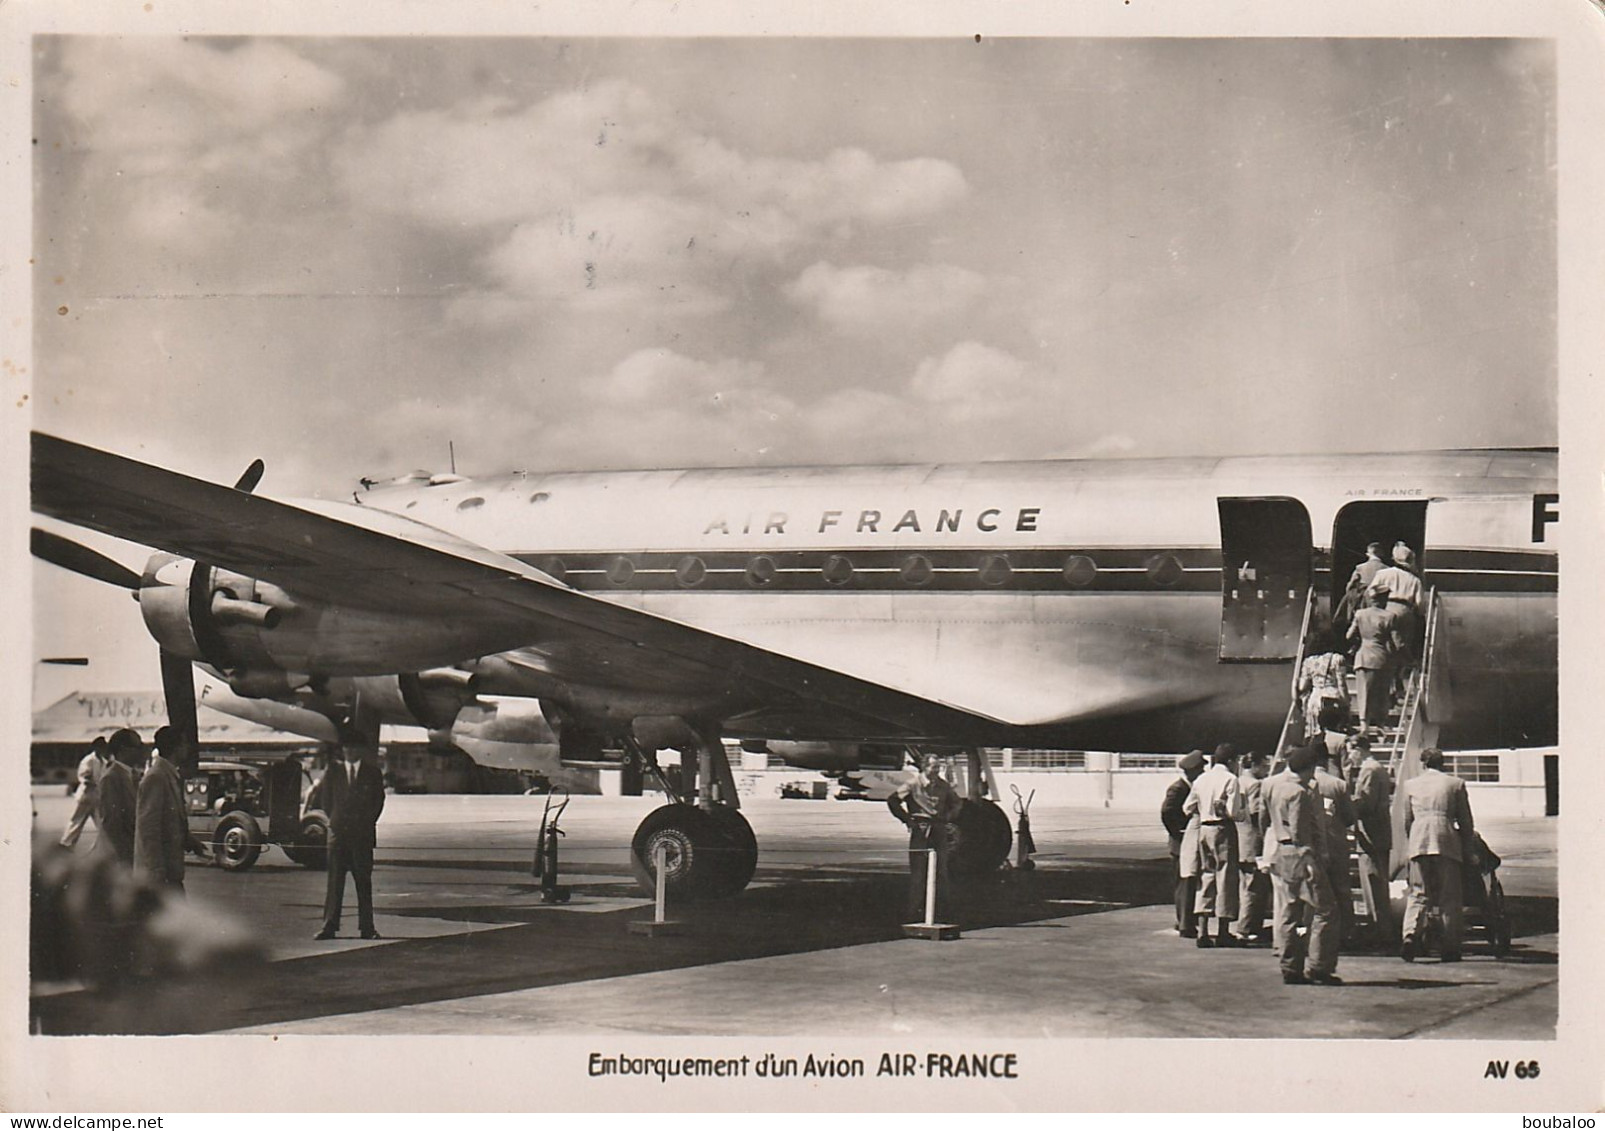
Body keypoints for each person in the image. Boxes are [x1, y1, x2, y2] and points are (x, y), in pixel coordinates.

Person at [1263, 744, 1340, 985]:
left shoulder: (1274, 787)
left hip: (1282, 852)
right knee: (1326, 909)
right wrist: (1310, 859)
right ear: (1307, 768)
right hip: (1301, 854)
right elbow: (1299, 831)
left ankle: (1290, 966)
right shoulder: (1299, 793)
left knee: (1289, 910)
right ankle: (1319, 966)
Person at [1401, 748, 1476, 962]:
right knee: (1449, 896)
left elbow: (1407, 819)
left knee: (1418, 893)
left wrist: (1413, 840)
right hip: (1446, 840)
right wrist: (1467, 848)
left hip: (1419, 838)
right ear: (1442, 763)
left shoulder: (1410, 785)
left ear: (1423, 764)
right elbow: (1465, 820)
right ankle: (1450, 945)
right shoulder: (1455, 784)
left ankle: (1409, 935)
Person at [316, 735, 389, 940]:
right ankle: (329, 926)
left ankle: (367, 928)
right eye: (346, 746)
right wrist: (335, 821)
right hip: (339, 837)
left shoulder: (372, 773)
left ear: (361, 750)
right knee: (334, 883)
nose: (349, 750)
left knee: (363, 883)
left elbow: (378, 801)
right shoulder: (333, 772)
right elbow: (325, 800)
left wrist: (366, 823)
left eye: (353, 746)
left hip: (362, 837)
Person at [1184, 744, 1244, 947]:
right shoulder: (1231, 779)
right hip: (1222, 828)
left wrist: (1203, 808)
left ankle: (1202, 931)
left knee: (1206, 877)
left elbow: (1187, 807)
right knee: (1226, 877)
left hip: (1204, 828)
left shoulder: (1202, 779)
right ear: (1232, 761)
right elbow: (1234, 812)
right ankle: (1223, 932)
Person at [134, 725, 195, 892]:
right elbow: (148, 827)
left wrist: (188, 839)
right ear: (176, 748)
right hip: (161, 874)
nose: (188, 747)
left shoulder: (168, 775)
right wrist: (155, 868)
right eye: (184, 744)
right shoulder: (156, 777)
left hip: (170, 871)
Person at [1347, 734, 1394, 942]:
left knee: (1373, 884)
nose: (1350, 756)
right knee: (1378, 883)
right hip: (1379, 831)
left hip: (1371, 833)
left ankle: (1380, 930)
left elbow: (1366, 803)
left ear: (1359, 749)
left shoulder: (1369, 770)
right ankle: (1381, 927)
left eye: (1351, 751)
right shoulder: (1377, 768)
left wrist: (1346, 806)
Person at [1312, 748, 1359, 946]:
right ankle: (1346, 932)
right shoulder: (1338, 784)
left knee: (1314, 890)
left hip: (1313, 843)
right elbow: (1349, 817)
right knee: (1341, 890)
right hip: (1336, 842)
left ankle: (1315, 933)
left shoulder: (1303, 782)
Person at [1160, 750, 1207, 938]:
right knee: (1185, 883)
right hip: (1181, 843)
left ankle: (1184, 920)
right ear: (1193, 771)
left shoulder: (1190, 787)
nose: (1203, 771)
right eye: (1200, 768)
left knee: (1188, 882)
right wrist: (1180, 832)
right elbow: (1167, 812)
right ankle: (1185, 924)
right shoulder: (1178, 789)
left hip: (1187, 841)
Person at [1372, 544, 1426, 690]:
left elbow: (1371, 593)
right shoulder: (1415, 580)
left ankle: (1387, 685)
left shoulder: (1383, 574)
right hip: (1405, 611)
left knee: (1385, 646)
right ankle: (1398, 681)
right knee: (1402, 647)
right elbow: (1421, 605)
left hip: (1386, 609)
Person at [1347, 588, 1402, 731]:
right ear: (1384, 599)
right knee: (1382, 693)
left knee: (1363, 692)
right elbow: (1396, 642)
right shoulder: (1390, 616)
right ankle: (1380, 723)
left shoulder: (1360, 614)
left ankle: (1363, 723)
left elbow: (1349, 636)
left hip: (1363, 657)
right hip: (1381, 658)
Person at [1233, 749, 1273, 942]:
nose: (1266, 769)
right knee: (1254, 886)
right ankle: (1247, 927)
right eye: (1264, 765)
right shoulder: (1256, 785)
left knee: (1246, 885)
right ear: (1255, 765)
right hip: (1252, 840)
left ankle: (1247, 925)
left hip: (1239, 840)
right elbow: (1257, 815)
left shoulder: (1237, 781)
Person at [94, 728, 142, 866]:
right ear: (123, 749)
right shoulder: (111, 777)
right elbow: (112, 822)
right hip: (120, 856)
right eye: (137, 747)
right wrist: (125, 856)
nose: (141, 751)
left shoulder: (131, 775)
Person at [60, 736, 111, 849]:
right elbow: (85, 776)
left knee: (102, 822)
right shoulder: (88, 760)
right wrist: (94, 782)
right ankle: (66, 843)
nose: (103, 749)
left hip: (97, 796)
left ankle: (105, 845)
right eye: (100, 747)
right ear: (96, 747)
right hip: (86, 795)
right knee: (77, 820)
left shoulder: (103, 761)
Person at [1298, 635, 1349, 742]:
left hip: (1315, 698)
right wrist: (1346, 701)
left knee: (1315, 732)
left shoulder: (1308, 661)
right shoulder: (1337, 659)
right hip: (1332, 696)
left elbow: (1302, 686)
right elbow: (1341, 683)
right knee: (1334, 731)